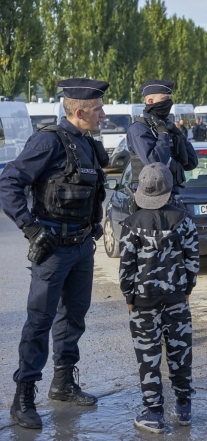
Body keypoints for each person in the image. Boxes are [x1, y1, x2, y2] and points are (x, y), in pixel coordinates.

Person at [0, 78, 110, 429]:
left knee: (73, 318)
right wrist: (31, 229)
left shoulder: (87, 143)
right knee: (39, 321)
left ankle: (62, 384)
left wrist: (92, 226)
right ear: (79, 112)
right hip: (52, 250)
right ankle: (24, 396)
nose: (103, 114)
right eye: (97, 110)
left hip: (81, 248)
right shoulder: (48, 141)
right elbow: (9, 183)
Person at [119, 162, 199, 433]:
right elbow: (192, 261)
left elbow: (126, 266)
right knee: (180, 353)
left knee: (148, 357)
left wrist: (129, 295)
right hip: (176, 299)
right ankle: (184, 408)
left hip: (143, 303)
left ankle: (154, 414)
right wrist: (186, 289)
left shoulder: (131, 224)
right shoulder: (184, 220)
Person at [127, 80, 198, 197]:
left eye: (170, 98)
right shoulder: (139, 129)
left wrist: (179, 136)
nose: (169, 103)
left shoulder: (167, 126)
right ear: (150, 101)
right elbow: (154, 163)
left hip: (172, 192)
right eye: (165, 99)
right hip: (149, 196)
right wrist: (163, 135)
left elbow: (191, 163)